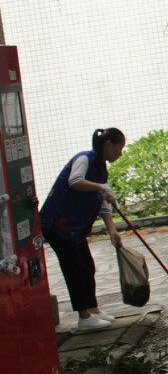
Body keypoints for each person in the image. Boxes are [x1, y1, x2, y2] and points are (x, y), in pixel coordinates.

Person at [40, 128, 125, 331]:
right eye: (119, 148)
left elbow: (102, 203)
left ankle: (93, 310)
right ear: (108, 145)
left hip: (74, 228)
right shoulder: (84, 158)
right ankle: (84, 317)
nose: (120, 154)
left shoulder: (101, 169)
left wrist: (112, 230)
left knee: (87, 266)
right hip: (56, 225)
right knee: (75, 270)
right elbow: (75, 181)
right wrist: (101, 187)